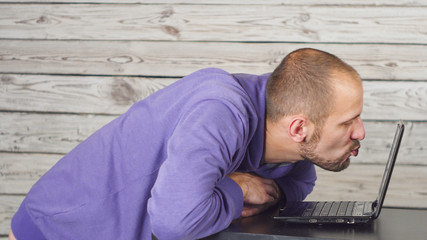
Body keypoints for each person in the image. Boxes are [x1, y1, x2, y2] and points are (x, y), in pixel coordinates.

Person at [9, 48, 365, 240]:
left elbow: (300, 182)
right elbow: (175, 223)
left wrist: (261, 190)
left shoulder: (283, 118)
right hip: (58, 230)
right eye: (348, 122)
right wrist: (238, 189)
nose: (361, 132)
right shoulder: (221, 112)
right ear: (299, 127)